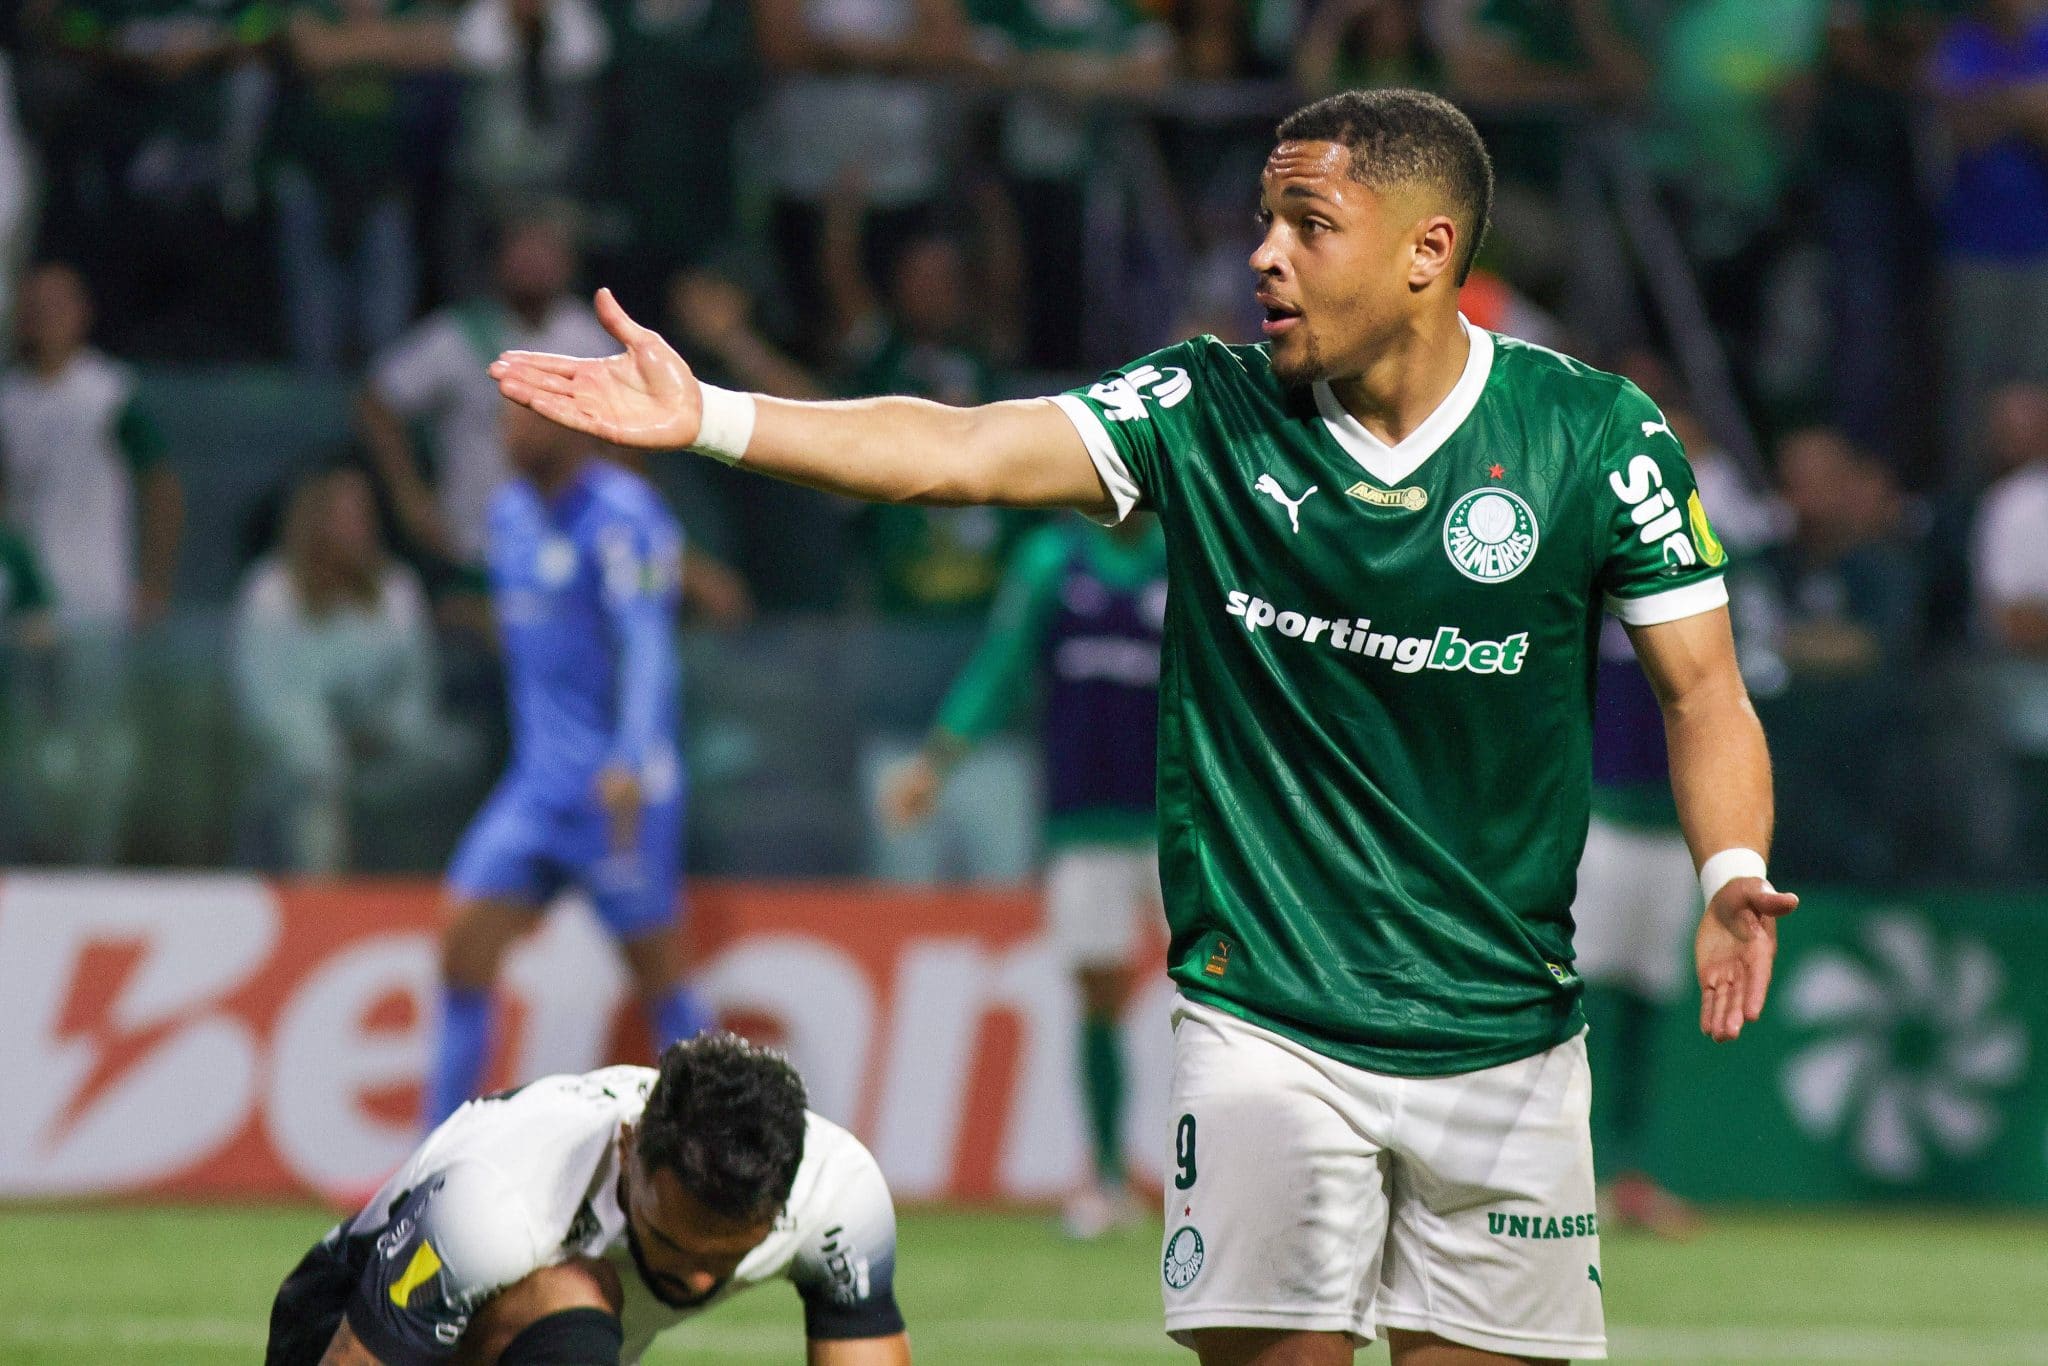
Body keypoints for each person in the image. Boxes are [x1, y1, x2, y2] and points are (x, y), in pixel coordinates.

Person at [492, 88, 1796, 1365]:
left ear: (1428, 250)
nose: (1261, 256)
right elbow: (965, 448)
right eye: (1260, 221)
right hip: (1272, 1032)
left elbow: (1706, 690)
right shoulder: (1206, 411)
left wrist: (1732, 868)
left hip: (1510, 1042)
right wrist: (714, 417)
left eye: (1307, 224)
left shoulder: (1593, 435)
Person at [268, 1033, 911, 1365]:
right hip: (346, 1326)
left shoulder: (839, 1193)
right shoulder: (491, 1206)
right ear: (630, 1147)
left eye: (730, 1260)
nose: (697, 1278)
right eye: (674, 1244)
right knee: (574, 1288)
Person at [424, 401, 712, 1127]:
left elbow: (649, 643)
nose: (509, 434)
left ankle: (731, 1152)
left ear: (570, 424)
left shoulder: (625, 514)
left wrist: (632, 756)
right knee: (462, 951)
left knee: (662, 981)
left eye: (524, 420)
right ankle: (427, 1163)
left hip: (614, 791)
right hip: (535, 790)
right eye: (503, 421)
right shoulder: (509, 515)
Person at [882, 513, 1167, 1240]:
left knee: (1221, 994)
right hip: (1082, 815)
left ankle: (1220, 1171)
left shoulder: (1190, 544)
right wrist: (937, 760)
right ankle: (1106, 1175)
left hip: (1185, 814)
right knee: (1100, 992)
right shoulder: (1054, 560)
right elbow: (1002, 665)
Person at [0, 261, 183, 863]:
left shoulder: (106, 391)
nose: (44, 319)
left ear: (82, 315)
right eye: (35, 306)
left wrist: (153, 582)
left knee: (98, 740)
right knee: (26, 740)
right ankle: (30, 859)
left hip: (96, 594)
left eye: (57, 305)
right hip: (25, 601)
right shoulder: (10, 399)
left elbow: (160, 484)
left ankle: (94, 861)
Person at [232, 465, 471, 874]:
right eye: (343, 517)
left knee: (460, 755)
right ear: (315, 521)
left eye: (364, 515)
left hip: (390, 750)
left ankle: (437, 888)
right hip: (296, 760)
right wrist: (325, 746)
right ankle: (323, 896)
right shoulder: (272, 592)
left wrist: (388, 731)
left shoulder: (398, 589)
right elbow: (265, 697)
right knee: (314, 782)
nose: (357, 528)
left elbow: (416, 685)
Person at [360, 210, 615, 571]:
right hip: (473, 544)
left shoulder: (588, 335)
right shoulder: (456, 334)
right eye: (522, 247)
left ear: (569, 261)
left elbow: (623, 438)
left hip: (567, 548)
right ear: (497, 259)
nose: (534, 260)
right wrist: (409, 496)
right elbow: (378, 401)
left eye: (546, 248)